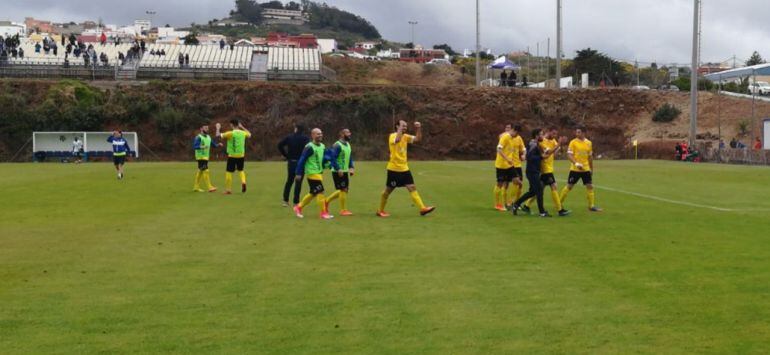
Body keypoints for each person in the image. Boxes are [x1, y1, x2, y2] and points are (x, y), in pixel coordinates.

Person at [377, 120, 436, 217]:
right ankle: (380, 210)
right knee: (388, 191)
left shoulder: (406, 136)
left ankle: (422, 208)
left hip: (404, 168)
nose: (405, 128)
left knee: (412, 187)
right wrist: (400, 130)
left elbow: (417, 139)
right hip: (394, 169)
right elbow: (397, 140)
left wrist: (418, 128)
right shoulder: (392, 136)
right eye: (402, 126)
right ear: (397, 127)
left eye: (405, 126)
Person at [522, 127, 570, 216]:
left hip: (549, 167)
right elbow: (548, 152)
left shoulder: (553, 141)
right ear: (548, 132)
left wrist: (560, 145)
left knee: (539, 190)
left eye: (556, 134)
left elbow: (555, 152)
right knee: (553, 186)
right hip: (544, 168)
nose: (555, 136)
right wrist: (558, 144)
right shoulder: (541, 141)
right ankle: (560, 210)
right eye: (553, 133)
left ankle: (526, 205)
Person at [293, 128, 337, 220]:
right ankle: (323, 213)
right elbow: (302, 160)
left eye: (321, 133)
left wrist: (328, 164)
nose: (320, 135)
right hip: (311, 173)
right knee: (321, 191)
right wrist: (298, 173)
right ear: (312, 135)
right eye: (317, 134)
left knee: (313, 193)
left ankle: (298, 207)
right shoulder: (309, 147)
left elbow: (323, 159)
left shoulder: (322, 146)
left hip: (319, 172)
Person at [560, 127, 602, 212]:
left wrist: (591, 169)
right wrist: (576, 163)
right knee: (569, 186)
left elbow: (590, 157)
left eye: (579, 132)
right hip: (575, 169)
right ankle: (559, 203)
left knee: (590, 186)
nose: (577, 134)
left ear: (584, 133)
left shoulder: (589, 143)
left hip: (585, 169)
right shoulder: (573, 142)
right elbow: (569, 155)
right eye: (576, 132)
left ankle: (591, 206)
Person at [511, 129, 550, 217]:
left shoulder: (536, 144)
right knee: (539, 190)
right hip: (532, 172)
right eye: (541, 135)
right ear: (536, 135)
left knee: (533, 192)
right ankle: (542, 212)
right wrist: (541, 157)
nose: (542, 136)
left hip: (534, 171)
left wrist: (543, 155)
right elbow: (529, 157)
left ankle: (516, 204)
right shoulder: (533, 144)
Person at [493, 124, 525, 211]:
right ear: (514, 130)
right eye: (517, 133)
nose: (517, 136)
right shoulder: (505, 137)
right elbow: (499, 149)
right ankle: (497, 204)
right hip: (501, 165)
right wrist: (507, 159)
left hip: (509, 165)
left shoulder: (513, 138)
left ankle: (511, 202)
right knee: (500, 184)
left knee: (518, 182)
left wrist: (521, 156)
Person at [277, 124, 310, 207]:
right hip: (301, 162)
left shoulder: (289, 137)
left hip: (291, 161)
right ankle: (296, 202)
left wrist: (286, 155)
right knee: (298, 182)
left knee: (289, 181)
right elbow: (308, 149)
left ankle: (285, 200)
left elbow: (280, 145)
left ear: (296, 129)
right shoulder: (305, 138)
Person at [216, 119, 251, 194]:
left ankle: (228, 190)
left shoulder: (230, 133)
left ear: (232, 125)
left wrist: (218, 128)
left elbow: (218, 135)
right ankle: (243, 182)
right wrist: (242, 127)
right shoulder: (243, 133)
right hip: (241, 155)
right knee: (241, 170)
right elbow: (250, 134)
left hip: (232, 156)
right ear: (238, 124)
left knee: (229, 172)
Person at [326, 129, 356, 216]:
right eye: (347, 133)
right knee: (343, 189)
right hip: (337, 171)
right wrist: (338, 168)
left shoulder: (348, 144)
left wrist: (351, 167)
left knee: (344, 190)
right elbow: (332, 158)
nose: (350, 134)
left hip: (344, 171)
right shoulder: (337, 145)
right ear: (342, 134)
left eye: (350, 132)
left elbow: (349, 156)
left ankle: (326, 201)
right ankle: (343, 210)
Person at [193, 124, 221, 193]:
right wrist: (202, 147)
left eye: (207, 128)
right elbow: (195, 146)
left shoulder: (208, 137)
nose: (207, 129)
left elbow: (213, 144)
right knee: (206, 170)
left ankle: (196, 187)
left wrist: (218, 145)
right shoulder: (198, 137)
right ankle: (210, 187)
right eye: (205, 128)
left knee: (200, 171)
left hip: (206, 157)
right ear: (201, 129)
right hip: (200, 157)